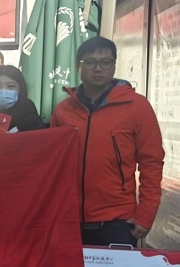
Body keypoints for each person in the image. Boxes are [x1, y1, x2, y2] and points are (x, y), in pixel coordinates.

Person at [51, 36, 164, 247]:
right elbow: (52, 165)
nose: (98, 68)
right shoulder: (63, 111)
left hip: (118, 221)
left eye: (105, 62)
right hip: (68, 218)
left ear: (114, 66)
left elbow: (152, 162)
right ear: (77, 67)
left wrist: (146, 213)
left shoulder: (137, 106)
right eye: (90, 62)